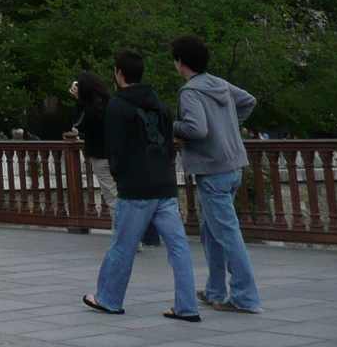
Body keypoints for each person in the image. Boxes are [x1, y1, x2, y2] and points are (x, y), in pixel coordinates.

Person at [85, 49, 200, 320]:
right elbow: (168, 143)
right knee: (178, 247)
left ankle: (109, 298)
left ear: (120, 74)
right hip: (164, 184)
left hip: (135, 187)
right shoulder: (159, 104)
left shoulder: (118, 105)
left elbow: (115, 149)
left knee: (123, 245)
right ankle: (187, 306)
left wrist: (120, 177)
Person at [171, 33, 261, 314]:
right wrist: (229, 127)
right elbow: (249, 101)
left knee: (226, 232)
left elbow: (196, 129)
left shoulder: (191, 91)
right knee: (210, 229)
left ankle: (245, 297)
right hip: (233, 165)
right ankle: (215, 289)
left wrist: (174, 128)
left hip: (212, 169)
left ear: (180, 63)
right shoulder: (219, 84)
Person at [71, 72, 116, 214]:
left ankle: (123, 233)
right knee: (124, 196)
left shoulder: (89, 109)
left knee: (112, 198)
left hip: (101, 156)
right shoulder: (111, 103)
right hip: (118, 154)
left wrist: (79, 100)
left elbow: (77, 123)